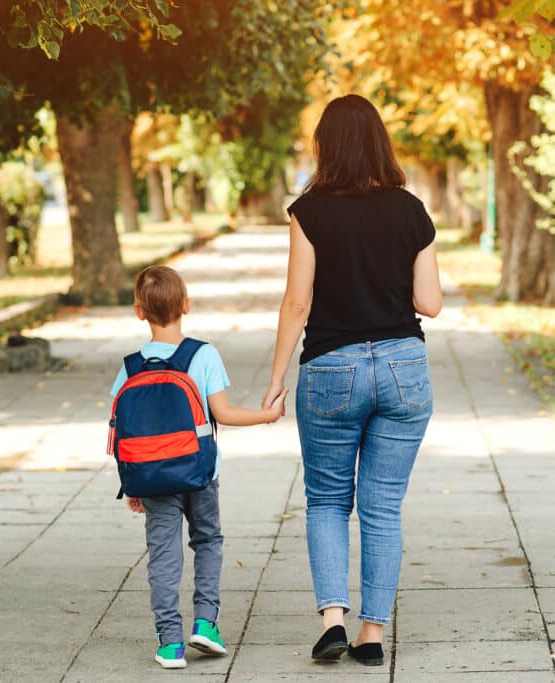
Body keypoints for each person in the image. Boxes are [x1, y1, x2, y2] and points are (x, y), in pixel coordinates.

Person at [262, 94, 443, 666]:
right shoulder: (411, 210)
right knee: (383, 507)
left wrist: (275, 378)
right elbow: (429, 303)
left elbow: (297, 302)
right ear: (380, 142)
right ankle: (373, 635)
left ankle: (332, 620)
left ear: (326, 146)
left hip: (331, 368)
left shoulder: (309, 210)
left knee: (327, 500)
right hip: (402, 368)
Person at [112, 265, 287, 670]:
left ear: (139, 312)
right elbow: (222, 413)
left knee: (162, 553)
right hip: (200, 471)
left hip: (152, 477)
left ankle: (170, 642)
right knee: (207, 540)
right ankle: (206, 623)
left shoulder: (130, 367)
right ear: (186, 306)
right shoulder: (202, 355)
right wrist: (267, 416)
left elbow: (122, 432)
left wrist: (132, 484)